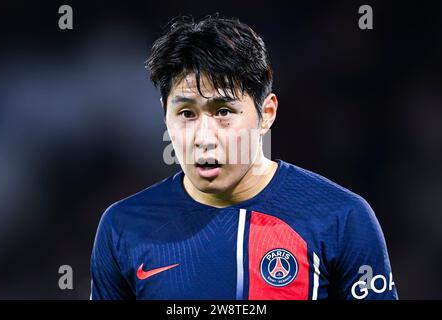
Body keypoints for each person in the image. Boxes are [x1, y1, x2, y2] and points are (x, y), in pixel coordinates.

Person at [90, 14, 398, 300]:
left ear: (266, 114)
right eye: (186, 113)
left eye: (224, 112)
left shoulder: (342, 219)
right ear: (164, 114)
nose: (204, 137)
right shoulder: (123, 227)